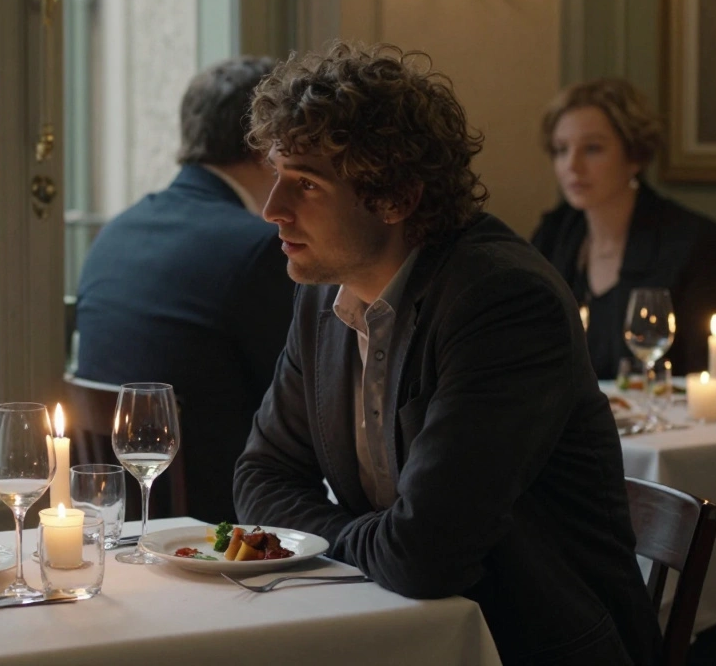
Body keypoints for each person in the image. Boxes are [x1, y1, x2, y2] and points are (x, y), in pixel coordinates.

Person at [233, 43, 661, 665]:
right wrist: (371, 542)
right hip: (392, 625)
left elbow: (423, 555)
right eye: (274, 175)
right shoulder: (323, 294)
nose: (272, 210)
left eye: (305, 184)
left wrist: (325, 539)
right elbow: (259, 476)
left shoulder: (502, 301)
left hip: (526, 644)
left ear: (396, 198)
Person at [75, 56, 293, 524]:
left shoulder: (117, 232)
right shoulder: (258, 248)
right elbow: (301, 407)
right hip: (222, 524)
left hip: (120, 520)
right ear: (265, 142)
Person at [531, 77, 716, 379]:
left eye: (592, 148)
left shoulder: (694, 242)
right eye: (560, 150)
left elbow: (704, 371)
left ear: (635, 155)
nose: (572, 165)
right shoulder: (553, 235)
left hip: (669, 420)